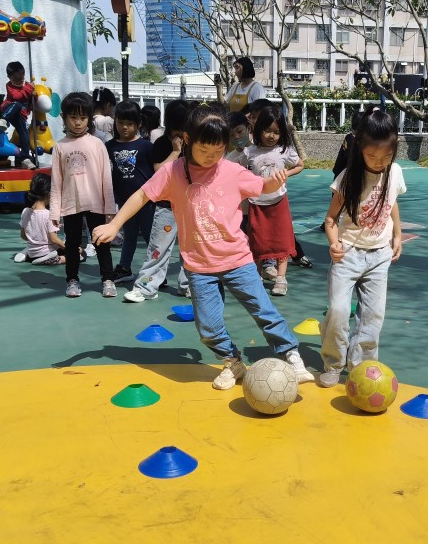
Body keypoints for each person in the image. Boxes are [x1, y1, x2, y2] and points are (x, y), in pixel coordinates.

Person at [91, 102, 314, 391]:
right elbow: (142, 195)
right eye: (204, 150)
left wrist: (274, 182)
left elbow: (262, 187)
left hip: (237, 260)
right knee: (208, 328)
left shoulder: (231, 170)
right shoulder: (173, 172)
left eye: (218, 150)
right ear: (187, 140)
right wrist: (114, 224)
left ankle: (291, 355)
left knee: (264, 311)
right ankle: (232, 362)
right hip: (199, 267)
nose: (211, 157)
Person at [317, 108, 404, 388]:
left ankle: (361, 366)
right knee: (338, 310)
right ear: (360, 149)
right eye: (372, 157)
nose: (379, 163)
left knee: (373, 316)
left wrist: (398, 234)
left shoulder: (395, 172)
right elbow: (330, 219)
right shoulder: (348, 178)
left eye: (386, 157)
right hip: (348, 255)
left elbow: (391, 202)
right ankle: (333, 362)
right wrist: (334, 244)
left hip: (379, 256)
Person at [122, 99, 192, 303]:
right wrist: (176, 152)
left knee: (191, 249)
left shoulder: (194, 143)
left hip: (191, 205)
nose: (181, 132)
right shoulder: (162, 143)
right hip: (166, 206)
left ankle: (188, 285)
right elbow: (159, 172)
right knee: (158, 248)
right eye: (178, 127)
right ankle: (146, 287)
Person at [49, 91, 118, 299]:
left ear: (89, 118)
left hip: (96, 203)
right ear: (64, 118)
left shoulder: (97, 144)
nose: (78, 122)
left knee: (101, 243)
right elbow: (56, 181)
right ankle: (72, 280)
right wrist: (54, 212)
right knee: (72, 244)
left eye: (82, 117)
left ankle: (107, 280)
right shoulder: (60, 147)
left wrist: (110, 208)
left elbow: (106, 178)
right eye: (73, 117)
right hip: (71, 204)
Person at [237, 103, 303, 296]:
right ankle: (256, 276)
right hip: (257, 203)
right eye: (267, 130)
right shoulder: (250, 152)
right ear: (259, 129)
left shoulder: (285, 150)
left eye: (276, 132)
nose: (272, 136)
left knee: (281, 240)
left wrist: (286, 174)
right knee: (257, 241)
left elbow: (300, 165)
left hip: (278, 202)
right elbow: (238, 170)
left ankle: (281, 278)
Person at [106, 101, 157, 284]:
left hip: (146, 201)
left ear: (138, 123)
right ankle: (124, 267)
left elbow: (157, 171)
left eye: (129, 123)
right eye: (120, 122)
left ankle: (156, 272)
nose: (125, 127)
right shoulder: (109, 147)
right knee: (129, 235)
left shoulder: (146, 146)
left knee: (151, 236)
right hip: (124, 201)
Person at [17, 172, 66, 265]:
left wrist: (36, 241)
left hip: (32, 253)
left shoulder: (25, 211)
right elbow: (54, 239)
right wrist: (69, 249)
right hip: (47, 253)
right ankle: (45, 259)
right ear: (48, 194)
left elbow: (23, 236)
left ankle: (27, 254)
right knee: (79, 255)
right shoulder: (49, 214)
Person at [0, 61, 36, 169]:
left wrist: (34, 96)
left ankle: (25, 158)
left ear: (24, 75)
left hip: (20, 116)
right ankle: (3, 120)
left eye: (21, 79)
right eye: (16, 80)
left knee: (25, 135)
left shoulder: (27, 85)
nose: (19, 82)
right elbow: (16, 96)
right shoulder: (10, 85)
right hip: (9, 110)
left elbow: (32, 102)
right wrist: (29, 89)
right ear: (9, 77)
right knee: (17, 104)